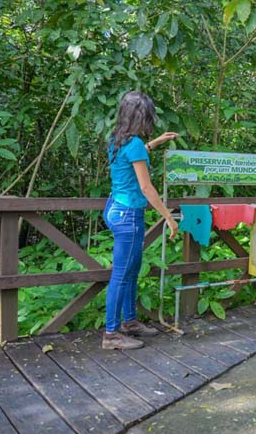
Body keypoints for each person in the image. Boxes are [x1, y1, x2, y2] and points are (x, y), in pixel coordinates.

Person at [102, 90, 179, 350]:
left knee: (131, 270)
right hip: (129, 216)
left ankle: (130, 322)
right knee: (122, 274)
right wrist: (168, 217)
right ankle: (111, 334)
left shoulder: (117, 139)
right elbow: (147, 188)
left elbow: (129, 160)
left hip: (115, 208)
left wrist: (154, 143)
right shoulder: (133, 144)